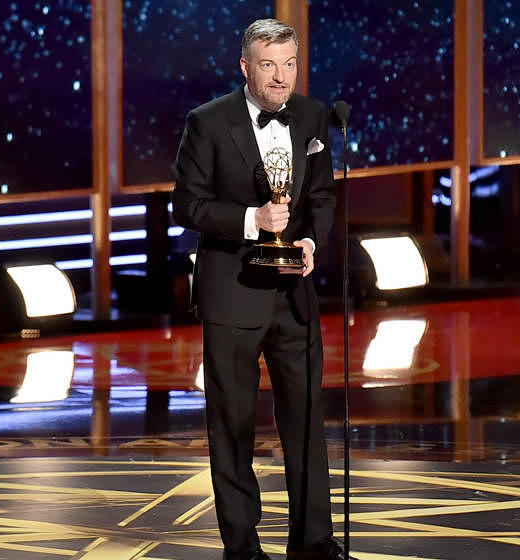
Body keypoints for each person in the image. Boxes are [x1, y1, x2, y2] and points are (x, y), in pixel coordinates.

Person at [171, 18, 352, 560]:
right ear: (245, 67)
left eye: (289, 64)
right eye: (269, 65)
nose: (281, 77)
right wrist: (252, 219)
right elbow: (186, 205)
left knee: (306, 418)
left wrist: (311, 242)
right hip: (232, 293)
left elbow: (322, 196)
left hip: (294, 294)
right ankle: (243, 547)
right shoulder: (207, 122)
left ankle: (314, 542)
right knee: (232, 424)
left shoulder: (312, 117)